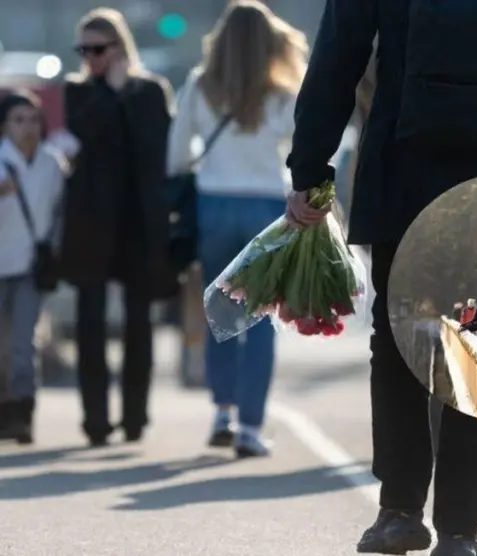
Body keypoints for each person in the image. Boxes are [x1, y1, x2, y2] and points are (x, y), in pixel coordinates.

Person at [283, 1, 477, 554]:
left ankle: (400, 510)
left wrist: (310, 170)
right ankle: (461, 526)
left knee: (402, 340)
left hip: (405, 162)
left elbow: (339, 56)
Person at [166, 1, 308, 458]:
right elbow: (299, 145)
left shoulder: (198, 86)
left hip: (213, 204)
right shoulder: (282, 92)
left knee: (220, 313)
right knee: (261, 318)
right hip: (266, 205)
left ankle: (221, 413)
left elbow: (175, 154)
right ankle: (250, 426)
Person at [61, 8, 173, 446]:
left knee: (138, 324)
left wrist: (125, 92)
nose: (89, 57)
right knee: (89, 325)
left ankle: (134, 416)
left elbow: (156, 146)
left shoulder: (149, 91)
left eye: (98, 49)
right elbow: (81, 134)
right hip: (90, 222)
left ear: (120, 48)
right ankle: (94, 420)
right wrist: (110, 92)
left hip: (137, 222)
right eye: (83, 49)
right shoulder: (77, 92)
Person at [0, 91, 66, 444]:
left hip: (29, 266)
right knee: (2, 345)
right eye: (18, 120)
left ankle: (22, 415)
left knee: (24, 342)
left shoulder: (52, 163)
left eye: (33, 119)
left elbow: (59, 213)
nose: (27, 127)